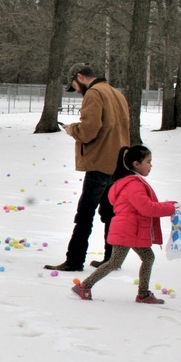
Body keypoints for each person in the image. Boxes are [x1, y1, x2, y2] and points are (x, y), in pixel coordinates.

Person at [44, 64, 129, 272]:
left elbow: (89, 130)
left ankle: (74, 260)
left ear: (80, 77)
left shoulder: (94, 93)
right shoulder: (116, 94)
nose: (76, 90)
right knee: (110, 214)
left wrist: (72, 129)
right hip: (118, 164)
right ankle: (111, 260)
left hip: (100, 163)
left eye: (74, 85)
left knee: (84, 215)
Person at [71, 145, 177, 304]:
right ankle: (84, 286)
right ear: (136, 164)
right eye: (148, 161)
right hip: (127, 230)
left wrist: (169, 205)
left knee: (148, 257)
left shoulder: (130, 183)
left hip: (133, 230)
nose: (151, 165)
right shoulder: (133, 185)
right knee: (115, 262)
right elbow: (147, 208)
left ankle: (143, 294)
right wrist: (171, 208)